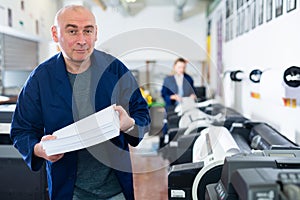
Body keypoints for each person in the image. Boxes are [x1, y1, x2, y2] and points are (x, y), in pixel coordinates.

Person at [10, 5, 150, 200]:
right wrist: (39, 149)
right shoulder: (40, 79)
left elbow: (142, 114)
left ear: (96, 33)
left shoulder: (115, 70)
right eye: (72, 31)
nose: (82, 40)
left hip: (116, 189)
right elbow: (21, 130)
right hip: (69, 191)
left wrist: (130, 124)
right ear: (55, 33)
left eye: (88, 31)